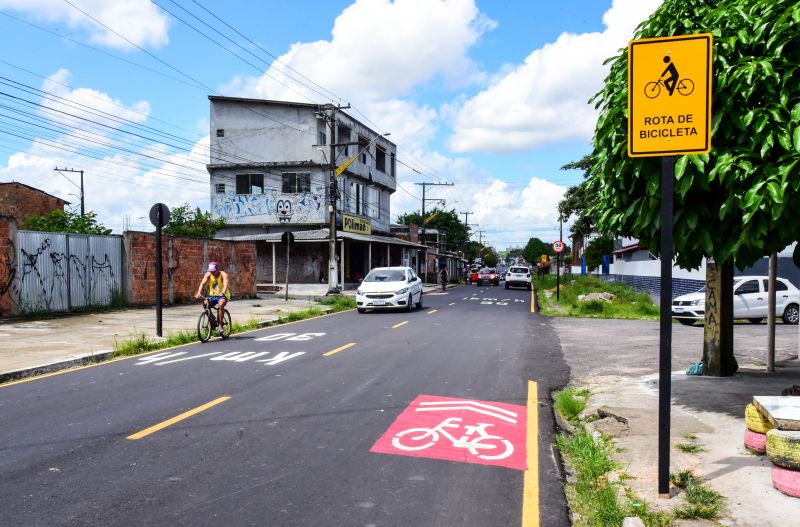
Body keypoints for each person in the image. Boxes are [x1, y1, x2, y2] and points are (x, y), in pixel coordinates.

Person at [195, 262, 230, 335]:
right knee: (205, 304)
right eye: (210, 271)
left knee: (221, 304)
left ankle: (220, 325)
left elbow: (226, 284)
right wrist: (199, 292)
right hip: (213, 295)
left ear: (217, 269)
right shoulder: (208, 274)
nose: (212, 273)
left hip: (223, 295)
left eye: (213, 271)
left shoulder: (223, 274)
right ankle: (213, 319)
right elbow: (202, 283)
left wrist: (222, 292)